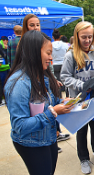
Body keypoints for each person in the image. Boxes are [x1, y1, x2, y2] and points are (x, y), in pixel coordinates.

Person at [4, 30, 73, 175]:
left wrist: (63, 102)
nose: (51, 57)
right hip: (31, 144)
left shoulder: (42, 76)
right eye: (48, 53)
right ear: (34, 52)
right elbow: (20, 126)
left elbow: (49, 102)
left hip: (49, 138)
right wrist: (53, 112)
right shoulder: (19, 84)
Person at [60, 21, 94, 174]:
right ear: (77, 36)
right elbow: (64, 76)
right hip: (78, 102)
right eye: (83, 37)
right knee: (81, 131)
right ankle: (83, 159)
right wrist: (82, 85)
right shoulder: (70, 55)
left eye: (90, 37)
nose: (87, 40)